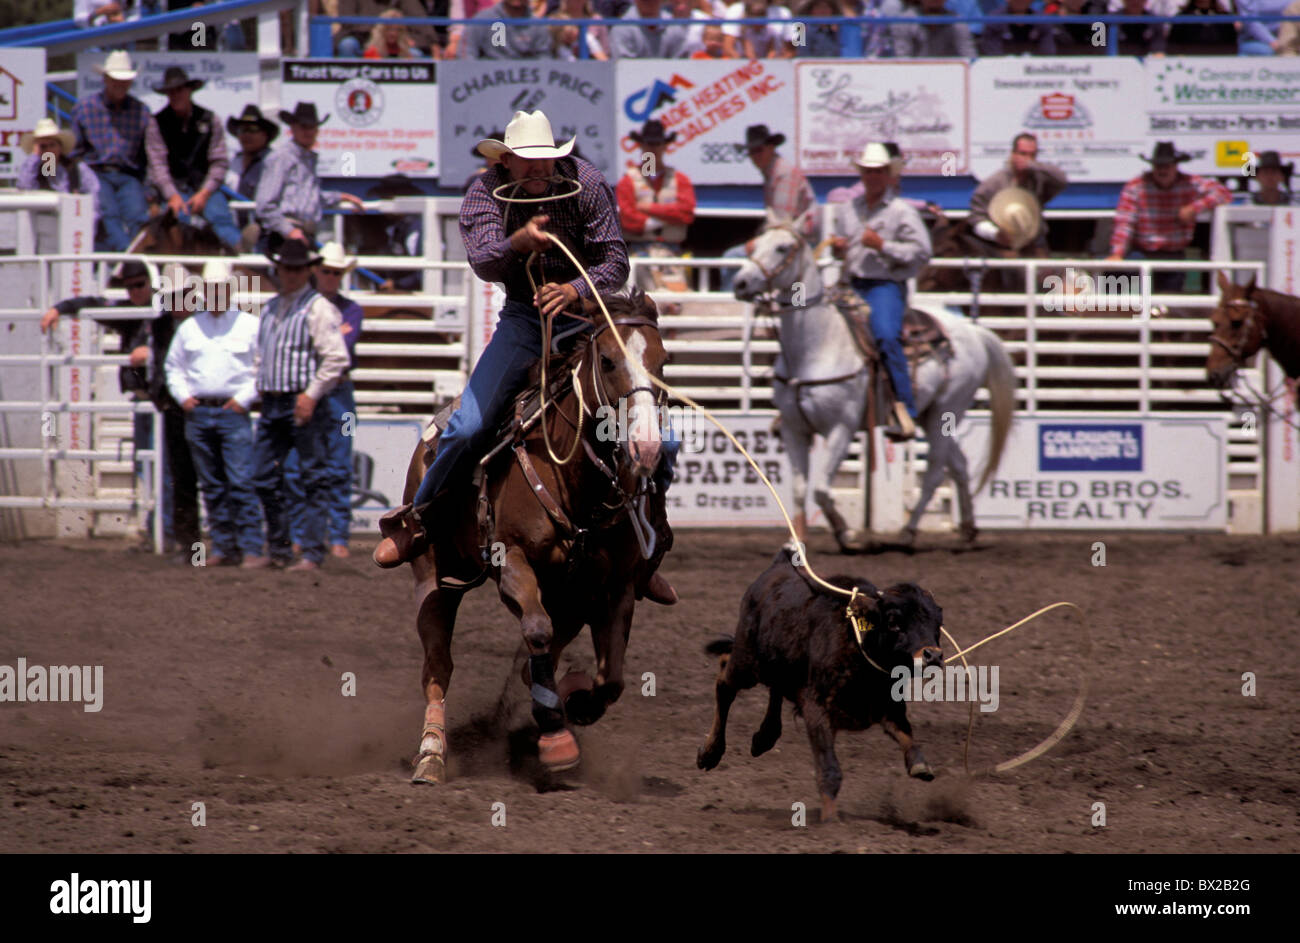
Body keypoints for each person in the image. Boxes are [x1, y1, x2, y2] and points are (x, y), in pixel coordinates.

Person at [371, 110, 677, 605]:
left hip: (588, 322)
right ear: (506, 161)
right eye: (527, 163)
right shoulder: (483, 192)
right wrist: (517, 243)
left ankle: (644, 556)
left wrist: (576, 290)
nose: (538, 170)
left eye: (547, 161)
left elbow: (614, 261)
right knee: (469, 426)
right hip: (524, 321)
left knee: (665, 437)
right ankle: (417, 521)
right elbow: (483, 259)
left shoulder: (588, 183)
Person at [39, 261, 160, 550]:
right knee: (146, 466)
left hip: (166, 403)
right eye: (130, 286)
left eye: (140, 285)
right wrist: (61, 308)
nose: (134, 292)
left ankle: (168, 533)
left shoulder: (166, 309)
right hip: (146, 400)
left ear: (151, 283)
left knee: (163, 467)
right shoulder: (129, 312)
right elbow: (93, 303)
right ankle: (153, 531)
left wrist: (153, 352)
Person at [249, 239, 351, 571]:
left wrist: (311, 394)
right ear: (278, 269)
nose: (290, 274)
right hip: (273, 400)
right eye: (286, 268)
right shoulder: (270, 307)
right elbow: (260, 355)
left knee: (312, 476)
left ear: (306, 270)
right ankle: (280, 547)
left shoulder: (317, 307)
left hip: (301, 400)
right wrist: (259, 385)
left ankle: (310, 551)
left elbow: (335, 358)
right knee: (263, 475)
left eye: (296, 268)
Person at [828, 142, 932, 441]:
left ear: (889, 175)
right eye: (868, 172)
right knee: (813, 324)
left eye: (878, 172)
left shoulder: (902, 212)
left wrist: (884, 246)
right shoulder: (848, 210)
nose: (872, 177)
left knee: (886, 336)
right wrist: (839, 249)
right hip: (850, 283)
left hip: (884, 286)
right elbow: (839, 250)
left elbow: (922, 253)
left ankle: (905, 410)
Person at [164, 260, 263, 568]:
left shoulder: (249, 325)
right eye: (210, 288)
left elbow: (262, 368)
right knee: (212, 485)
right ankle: (224, 546)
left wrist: (243, 399)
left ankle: (250, 548)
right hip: (200, 412)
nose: (215, 293)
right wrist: (184, 397)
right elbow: (173, 368)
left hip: (231, 411)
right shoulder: (190, 327)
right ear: (203, 291)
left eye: (220, 288)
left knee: (240, 481)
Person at [1107, 141, 1233, 296]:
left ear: (1176, 166)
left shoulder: (1190, 182)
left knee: (1169, 300)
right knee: (1118, 277)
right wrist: (1118, 253)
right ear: (1152, 167)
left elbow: (1223, 193)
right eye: (1159, 166)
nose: (1162, 170)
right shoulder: (1136, 186)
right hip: (1142, 250)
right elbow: (1125, 222)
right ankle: (1117, 314)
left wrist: (1195, 207)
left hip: (1174, 253)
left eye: (1167, 166)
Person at [143, 66, 242, 254]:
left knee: (220, 218)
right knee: (175, 225)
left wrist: (204, 192)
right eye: (171, 92)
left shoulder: (210, 119)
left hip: (204, 187)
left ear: (189, 90)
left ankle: (242, 256)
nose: (176, 95)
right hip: (175, 190)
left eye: (179, 90)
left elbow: (219, 161)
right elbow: (158, 166)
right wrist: (172, 195)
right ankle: (179, 271)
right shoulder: (156, 123)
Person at [312, 243, 365, 557]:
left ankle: (338, 537)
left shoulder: (352, 310)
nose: (331, 277)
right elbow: (339, 342)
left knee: (339, 465)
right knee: (309, 464)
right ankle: (314, 534)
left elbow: (339, 345)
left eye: (336, 272)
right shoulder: (345, 311)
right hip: (321, 392)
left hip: (339, 393)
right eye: (327, 271)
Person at [254, 102, 365, 254]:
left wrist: (341, 196)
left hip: (302, 234)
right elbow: (265, 205)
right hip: (282, 235)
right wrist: (289, 231)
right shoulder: (281, 157)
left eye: (312, 127)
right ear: (292, 128)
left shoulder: (307, 159)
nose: (308, 132)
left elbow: (308, 198)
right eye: (303, 127)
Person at [720, 124, 819, 292]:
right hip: (791, 241)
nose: (755, 156)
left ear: (771, 147)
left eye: (759, 150)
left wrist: (758, 243)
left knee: (732, 256)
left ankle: (733, 307)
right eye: (751, 152)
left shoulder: (782, 174)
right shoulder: (774, 171)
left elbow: (782, 225)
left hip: (798, 244)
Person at [70, 50, 151, 252]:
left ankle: (129, 261)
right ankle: (129, 259)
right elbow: (74, 150)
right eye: (116, 80)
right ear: (105, 79)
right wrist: (74, 182)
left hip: (128, 173)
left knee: (138, 216)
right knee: (108, 214)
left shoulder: (141, 111)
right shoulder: (85, 108)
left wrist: (150, 190)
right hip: (97, 171)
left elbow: (147, 154)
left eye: (125, 81)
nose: (120, 85)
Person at [617, 119, 696, 297]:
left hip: (672, 252)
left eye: (657, 144)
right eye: (648, 144)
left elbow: (686, 213)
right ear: (641, 146)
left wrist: (648, 208)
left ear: (665, 146)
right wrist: (667, 217)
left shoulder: (679, 179)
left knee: (676, 302)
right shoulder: (629, 180)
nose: (652, 149)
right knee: (641, 300)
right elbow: (628, 219)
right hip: (639, 251)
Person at [969, 132, 1068, 251]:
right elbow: (976, 218)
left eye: (1032, 155)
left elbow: (1061, 180)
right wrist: (995, 234)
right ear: (1013, 154)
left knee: (1057, 268)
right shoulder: (993, 184)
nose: (1027, 159)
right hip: (1003, 246)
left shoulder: (1039, 179)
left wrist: (1034, 165)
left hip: (1035, 242)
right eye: (1023, 154)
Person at [16, 119, 101, 224]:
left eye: (52, 145)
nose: (49, 150)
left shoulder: (77, 167)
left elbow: (94, 195)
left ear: (60, 147)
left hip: (75, 222)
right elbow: (24, 189)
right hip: (44, 223)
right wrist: (34, 156)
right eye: (43, 146)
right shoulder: (32, 170)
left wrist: (88, 223)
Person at [225, 104, 279, 251]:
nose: (247, 135)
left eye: (253, 130)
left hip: (265, 233)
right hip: (233, 230)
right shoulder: (232, 162)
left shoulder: (274, 162)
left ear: (265, 135)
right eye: (242, 130)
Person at [458, 0, 552, 57]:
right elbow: (467, 52)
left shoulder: (538, 26)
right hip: (488, 82)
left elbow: (544, 59)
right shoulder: (483, 19)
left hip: (523, 82)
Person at [891, 0, 977, 57]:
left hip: (949, 77)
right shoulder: (904, 21)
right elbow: (902, 60)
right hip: (914, 77)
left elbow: (969, 57)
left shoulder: (958, 23)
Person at [611, 0, 693, 57]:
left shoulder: (673, 27)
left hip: (668, 80)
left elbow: (681, 64)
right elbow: (624, 69)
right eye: (645, 0)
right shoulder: (622, 28)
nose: (649, 3)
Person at [722, 0, 797, 57]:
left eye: (761, 14)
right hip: (743, 67)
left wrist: (774, 63)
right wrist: (745, 65)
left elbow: (791, 50)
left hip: (774, 66)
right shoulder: (735, 10)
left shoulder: (784, 12)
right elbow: (728, 48)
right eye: (754, 15)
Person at [981, 0, 1058, 54]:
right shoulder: (994, 19)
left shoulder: (1042, 20)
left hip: (1034, 71)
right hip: (1002, 71)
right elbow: (992, 54)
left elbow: (1048, 54)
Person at [1166, 0, 1238, 53]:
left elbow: (1232, 46)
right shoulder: (1182, 17)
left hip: (1219, 65)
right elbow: (1173, 47)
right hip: (1189, 63)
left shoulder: (1224, 17)